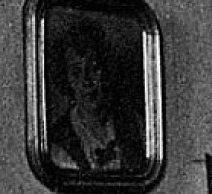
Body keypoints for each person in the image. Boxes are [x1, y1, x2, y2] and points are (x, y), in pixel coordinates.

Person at [48, 18, 145, 173]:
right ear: (66, 79)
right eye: (76, 72)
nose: (86, 81)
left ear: (106, 69)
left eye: (94, 68)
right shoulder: (58, 142)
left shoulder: (134, 124)